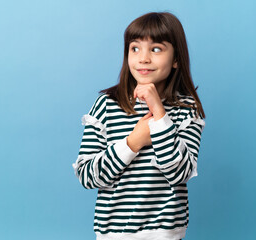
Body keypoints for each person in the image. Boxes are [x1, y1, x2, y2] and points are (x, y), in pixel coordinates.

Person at [72, 11, 206, 240]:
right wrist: (134, 142)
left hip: (166, 234)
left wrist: (160, 116)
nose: (143, 58)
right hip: (114, 234)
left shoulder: (187, 109)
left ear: (175, 59)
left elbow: (179, 173)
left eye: (156, 49)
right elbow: (87, 176)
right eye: (135, 48)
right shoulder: (107, 105)